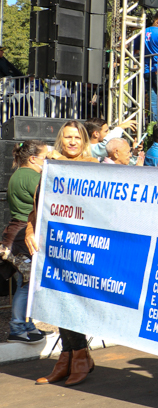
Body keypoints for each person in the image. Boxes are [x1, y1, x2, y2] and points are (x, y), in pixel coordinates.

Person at [29, 121, 100, 386]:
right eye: (67, 137)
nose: (72, 142)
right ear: (61, 140)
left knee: (74, 300)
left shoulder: (92, 166)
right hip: (56, 245)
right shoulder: (51, 168)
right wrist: (28, 231)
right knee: (60, 300)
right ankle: (70, 358)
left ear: (84, 140)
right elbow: (37, 206)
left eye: (77, 137)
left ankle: (78, 357)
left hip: (84, 245)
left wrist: (55, 161)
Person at [4, 140, 47, 343]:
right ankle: (17, 328)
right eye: (45, 157)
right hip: (23, 234)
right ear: (33, 159)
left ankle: (27, 325)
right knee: (26, 284)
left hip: (15, 233)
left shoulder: (17, 175)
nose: (47, 161)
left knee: (26, 283)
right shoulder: (33, 177)